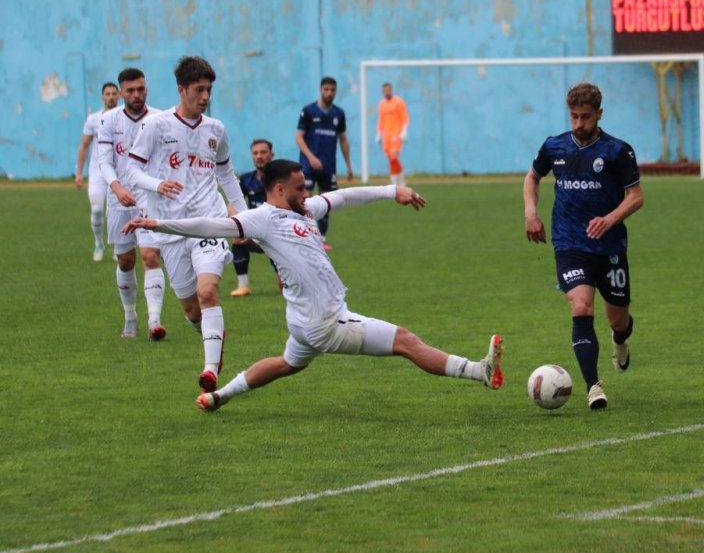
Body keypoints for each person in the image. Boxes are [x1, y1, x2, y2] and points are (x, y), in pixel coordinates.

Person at [123, 159, 505, 412]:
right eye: (300, 188)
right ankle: (478, 371)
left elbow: (342, 197)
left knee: (287, 363)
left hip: (304, 320)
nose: (307, 194)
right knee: (406, 341)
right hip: (323, 322)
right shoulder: (264, 218)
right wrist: (157, 224)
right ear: (278, 190)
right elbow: (212, 225)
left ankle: (219, 396)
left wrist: (393, 192)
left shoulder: (302, 211)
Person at [126, 56, 247, 393]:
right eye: (199, 90)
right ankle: (211, 336)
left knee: (208, 291)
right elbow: (132, 170)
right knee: (192, 308)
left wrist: (241, 212)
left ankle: (210, 369)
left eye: (209, 90)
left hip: (209, 221)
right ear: (182, 89)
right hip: (171, 227)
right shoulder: (157, 125)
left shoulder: (216, 129)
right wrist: (156, 184)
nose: (205, 96)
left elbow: (225, 172)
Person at [523, 82, 644, 410]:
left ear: (599, 114)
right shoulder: (555, 147)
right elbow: (533, 177)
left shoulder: (618, 151)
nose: (579, 123)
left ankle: (620, 340)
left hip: (610, 246)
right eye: (574, 116)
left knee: (619, 319)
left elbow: (636, 197)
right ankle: (594, 386)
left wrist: (610, 218)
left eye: (586, 117)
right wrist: (531, 212)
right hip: (569, 243)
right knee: (580, 307)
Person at [96, 67, 166, 340]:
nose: (137, 95)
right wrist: (116, 187)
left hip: (150, 199)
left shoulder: (160, 118)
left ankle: (155, 321)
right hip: (119, 201)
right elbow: (104, 160)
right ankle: (130, 316)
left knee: (151, 256)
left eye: (141, 89)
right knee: (126, 261)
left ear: (146, 89)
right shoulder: (109, 121)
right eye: (131, 90)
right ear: (121, 92)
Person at [295, 76, 353, 251]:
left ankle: (321, 239)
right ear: (321, 90)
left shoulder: (339, 114)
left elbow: (343, 140)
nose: (329, 93)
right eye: (326, 89)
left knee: (327, 202)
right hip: (308, 165)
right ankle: (301, 236)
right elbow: (298, 137)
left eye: (332, 90)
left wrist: (349, 166)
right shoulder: (309, 111)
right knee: (303, 201)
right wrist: (311, 157)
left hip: (329, 166)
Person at [74, 81, 120, 262]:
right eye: (107, 93)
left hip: (119, 172)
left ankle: (118, 246)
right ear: (102, 96)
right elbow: (84, 146)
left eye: (113, 93)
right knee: (97, 210)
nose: (110, 97)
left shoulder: (124, 117)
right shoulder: (93, 119)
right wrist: (79, 172)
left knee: (116, 212)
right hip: (97, 172)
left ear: (119, 96)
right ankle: (99, 243)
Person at [230, 138, 278, 297]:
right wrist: (237, 223)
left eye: (263, 152)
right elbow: (232, 204)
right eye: (255, 153)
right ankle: (243, 286)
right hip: (255, 233)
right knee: (238, 237)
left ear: (272, 154)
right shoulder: (245, 179)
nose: (259, 156)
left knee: (284, 287)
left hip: (278, 233)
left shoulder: (282, 178)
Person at [376, 82, 410, 187]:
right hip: (386, 135)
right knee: (390, 159)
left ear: (391, 90)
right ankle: (395, 180)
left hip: (396, 134)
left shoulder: (398, 102)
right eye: (384, 91)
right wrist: (379, 133)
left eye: (388, 90)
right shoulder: (382, 104)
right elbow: (381, 120)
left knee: (394, 157)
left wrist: (404, 131)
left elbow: (405, 117)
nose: (386, 92)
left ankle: (400, 179)